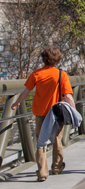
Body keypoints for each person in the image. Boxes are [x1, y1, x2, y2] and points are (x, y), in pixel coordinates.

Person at [9, 47, 75, 182]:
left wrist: (17, 102)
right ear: (57, 59)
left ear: (44, 59)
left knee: (41, 141)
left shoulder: (36, 74)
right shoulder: (62, 75)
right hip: (56, 113)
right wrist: (73, 111)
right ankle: (56, 167)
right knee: (57, 139)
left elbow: (26, 92)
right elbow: (67, 96)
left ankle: (42, 172)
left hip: (40, 112)